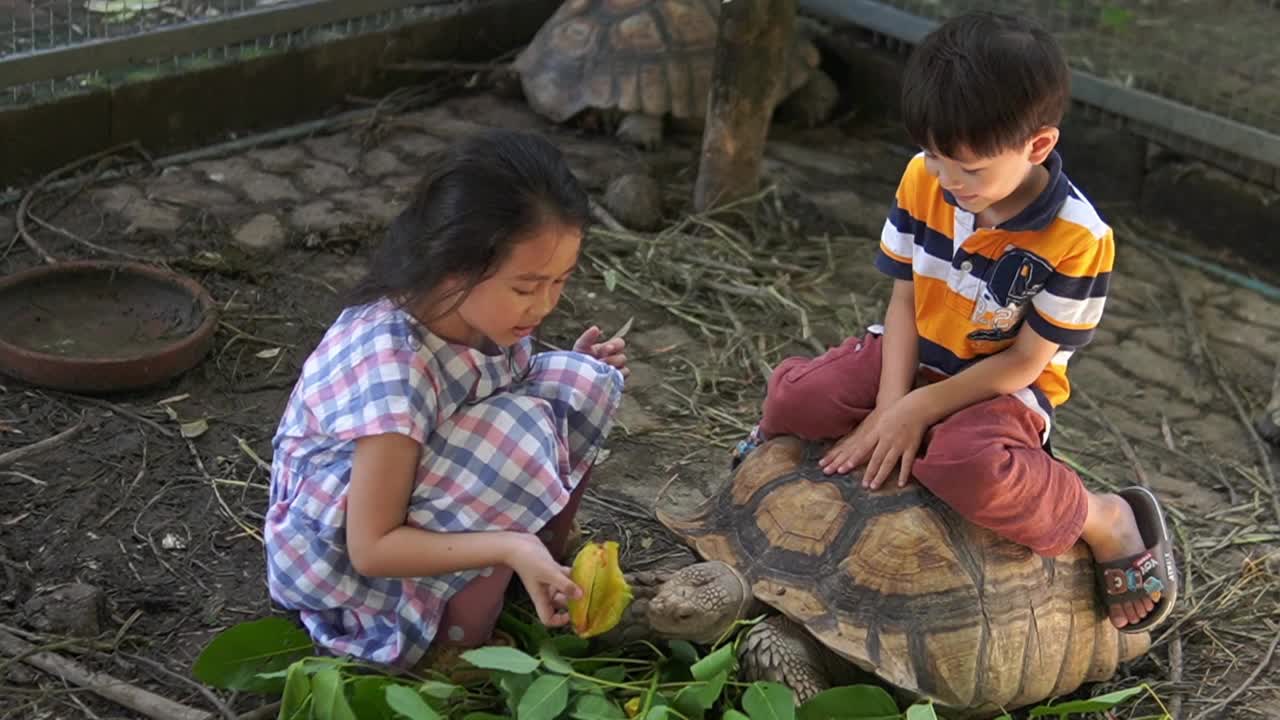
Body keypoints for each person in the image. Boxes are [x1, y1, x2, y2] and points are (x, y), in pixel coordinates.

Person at [733, 12, 1176, 633]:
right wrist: (894, 404)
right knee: (794, 397)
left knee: (966, 469)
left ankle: (1104, 518)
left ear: (1038, 146)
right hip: (912, 352)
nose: (949, 181)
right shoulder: (925, 178)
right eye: (937, 158)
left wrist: (918, 411)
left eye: (968, 169)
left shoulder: (1080, 238)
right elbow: (905, 301)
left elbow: (1026, 363)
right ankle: (859, 434)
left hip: (1001, 388)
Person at [263, 128, 628, 669]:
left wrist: (572, 363)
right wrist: (507, 544)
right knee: (519, 443)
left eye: (561, 282)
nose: (545, 305)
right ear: (454, 266)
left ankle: (538, 568)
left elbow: (494, 387)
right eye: (527, 288)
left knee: (583, 383)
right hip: (341, 550)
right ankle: (450, 639)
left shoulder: (476, 315)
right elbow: (372, 545)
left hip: (428, 478)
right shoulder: (394, 367)